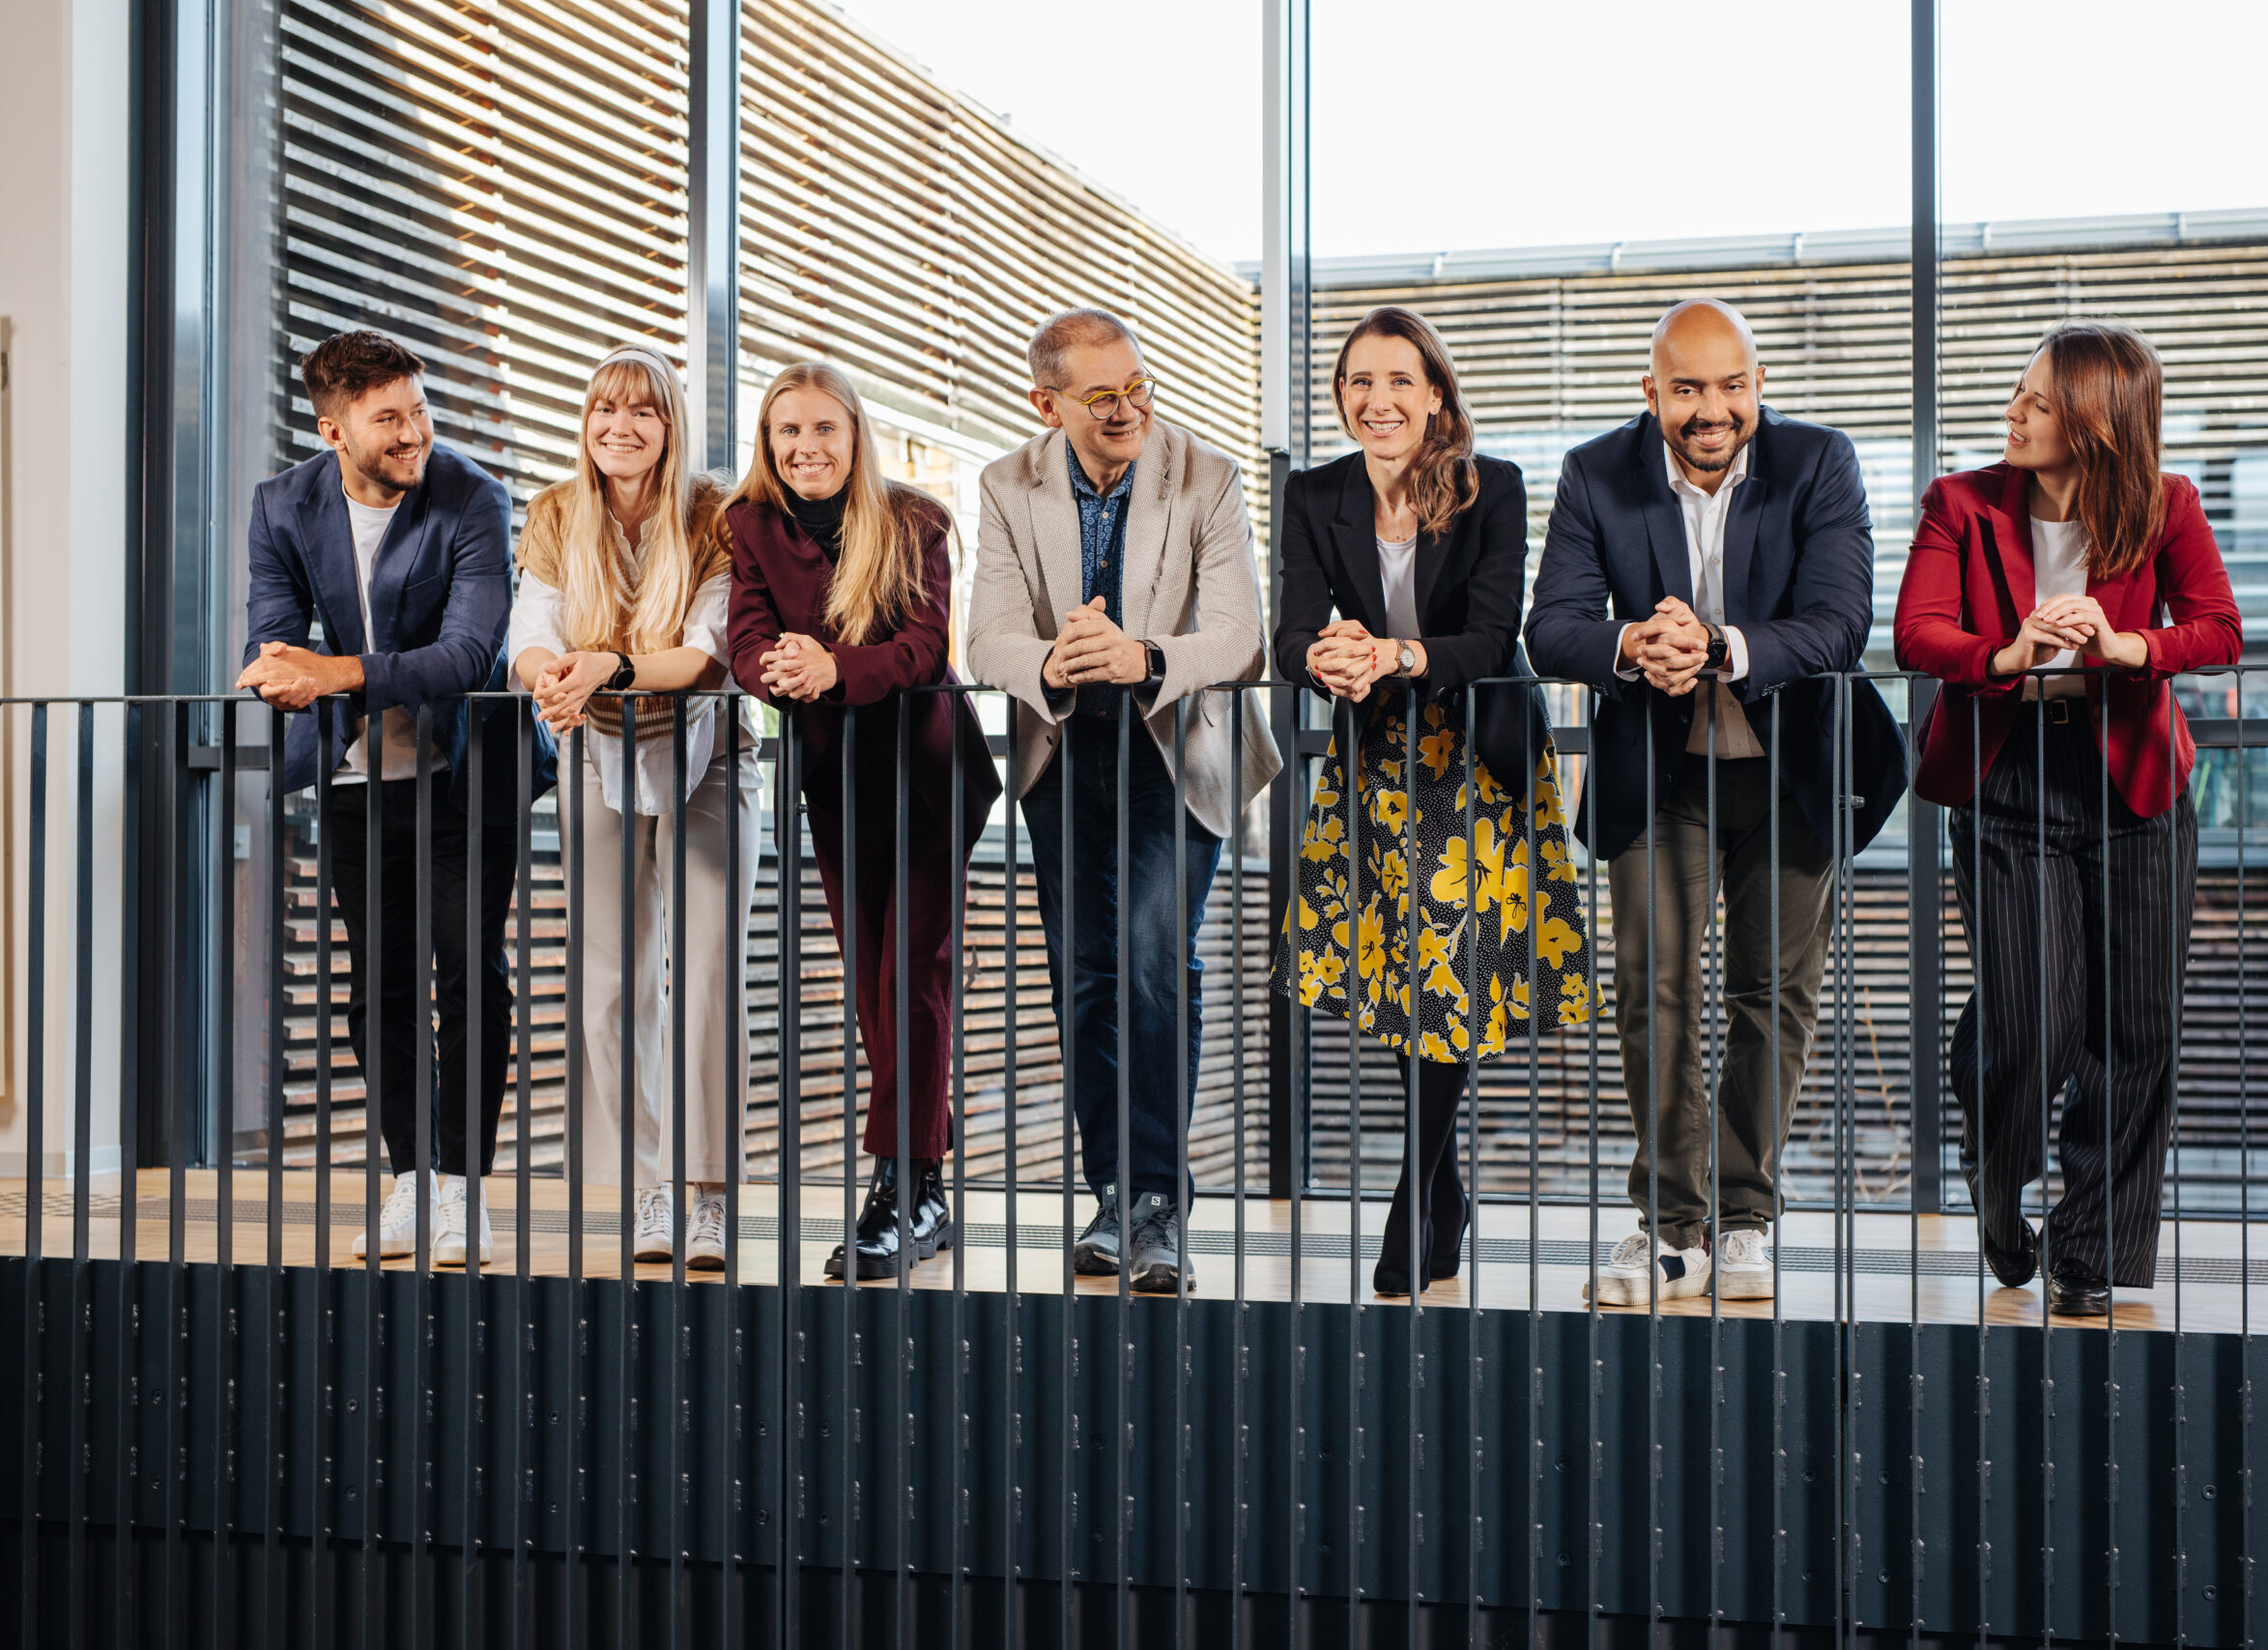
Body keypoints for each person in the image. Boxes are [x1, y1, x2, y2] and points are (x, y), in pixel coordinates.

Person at [1527, 298, 1906, 1305]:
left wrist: (1721, 644)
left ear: (1759, 385)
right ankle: (1670, 1224)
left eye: (1731, 386)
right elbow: (1550, 625)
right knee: (1651, 987)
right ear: (1650, 392)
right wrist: (1630, 642)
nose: (1711, 409)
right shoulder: (1593, 472)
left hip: (1786, 769)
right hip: (1657, 770)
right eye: (1687, 388)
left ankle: (1744, 1218)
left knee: (1769, 996)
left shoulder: (1819, 462)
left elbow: (1839, 619)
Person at [1895, 320, 2239, 1316]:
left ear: (2094, 423)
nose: (2015, 410)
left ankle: (2090, 1255)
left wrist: (2125, 644)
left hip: (2132, 784)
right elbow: (1917, 632)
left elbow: (2217, 628)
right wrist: (2004, 652)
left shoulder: (2163, 504)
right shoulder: (1958, 502)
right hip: (2007, 778)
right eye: (2019, 391)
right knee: (2034, 1023)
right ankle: (1996, 1187)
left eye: (2039, 402)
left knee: (2133, 1028)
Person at [1272, 306, 1591, 1295]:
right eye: (1360, 382)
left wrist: (1394, 654)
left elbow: (1494, 636)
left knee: (1447, 971)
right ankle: (1443, 1184)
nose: (1379, 400)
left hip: (1474, 754)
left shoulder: (1490, 487)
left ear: (1436, 393)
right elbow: (1287, 635)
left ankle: (1416, 1192)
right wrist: (1326, 656)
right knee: (1403, 977)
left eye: (1400, 381)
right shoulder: (1314, 492)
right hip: (1374, 757)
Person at [964, 307, 1281, 1293]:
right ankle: (1114, 1195)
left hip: (1173, 745)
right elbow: (986, 640)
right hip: (1063, 748)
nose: (1129, 409)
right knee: (1085, 979)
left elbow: (1239, 637)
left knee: (1152, 962)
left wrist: (1142, 655)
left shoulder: (1206, 475)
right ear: (1045, 402)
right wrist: (1054, 656)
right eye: (1102, 397)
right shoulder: (1004, 484)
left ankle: (1156, 1202)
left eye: (1139, 386)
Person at [237, 328, 539, 1268]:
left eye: (419, 408)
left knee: (469, 975)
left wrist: (333, 672)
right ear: (333, 429)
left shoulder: (472, 497)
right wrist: (304, 674)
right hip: (355, 779)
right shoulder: (282, 506)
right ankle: (412, 1178)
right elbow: (273, 641)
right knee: (381, 988)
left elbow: (468, 654)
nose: (414, 432)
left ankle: (464, 1190)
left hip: (464, 772)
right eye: (387, 419)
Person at [725, 362, 1000, 1281]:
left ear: (855, 434)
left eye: (823, 430)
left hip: (924, 770)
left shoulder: (915, 518)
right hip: (836, 778)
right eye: (787, 433)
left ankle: (898, 1182)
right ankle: (923, 1181)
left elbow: (927, 648)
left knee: (910, 974)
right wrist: (781, 668)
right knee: (869, 984)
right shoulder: (749, 524)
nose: (805, 448)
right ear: (769, 445)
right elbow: (745, 638)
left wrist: (835, 669)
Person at [508, 343, 758, 1270]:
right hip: (595, 757)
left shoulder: (717, 512)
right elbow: (528, 635)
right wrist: (559, 683)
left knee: (703, 977)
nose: (620, 427)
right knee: (610, 985)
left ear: (671, 423)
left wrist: (601, 667)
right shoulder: (554, 512)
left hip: (706, 759)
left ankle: (707, 1196)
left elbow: (705, 651)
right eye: (604, 409)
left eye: (643, 411)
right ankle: (648, 1188)